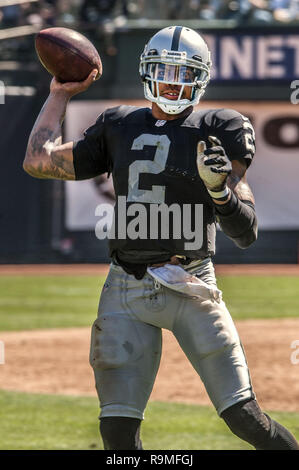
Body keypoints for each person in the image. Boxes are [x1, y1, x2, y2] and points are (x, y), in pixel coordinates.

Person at [23, 26, 299, 450]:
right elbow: (38, 161)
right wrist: (60, 92)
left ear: (201, 78)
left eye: (182, 72)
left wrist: (220, 191)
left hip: (192, 284)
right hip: (124, 286)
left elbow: (245, 233)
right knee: (116, 431)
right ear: (146, 73)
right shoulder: (118, 123)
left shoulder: (220, 126)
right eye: (163, 71)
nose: (172, 82)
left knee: (244, 418)